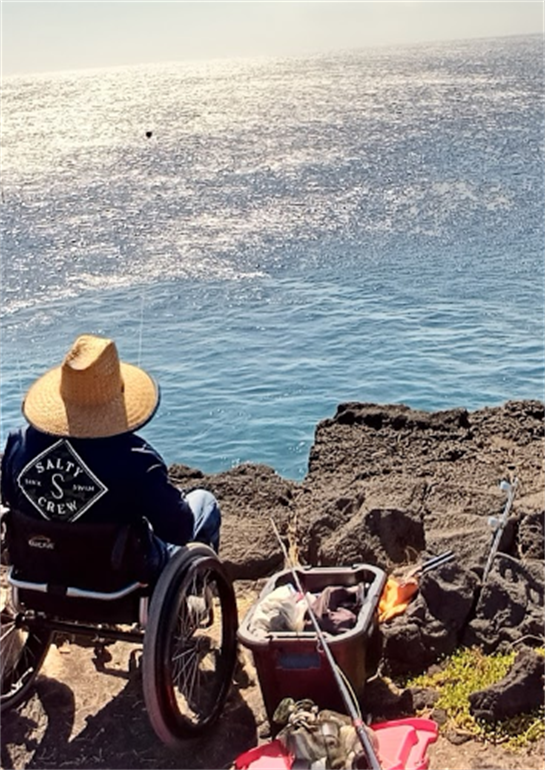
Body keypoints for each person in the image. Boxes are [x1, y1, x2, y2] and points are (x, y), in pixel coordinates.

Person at [1, 334, 221, 578]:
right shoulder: (137, 458)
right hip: (117, 577)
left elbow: (11, 502)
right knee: (205, 502)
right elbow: (178, 531)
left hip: (39, 567)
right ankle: (195, 595)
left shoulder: (18, 442)